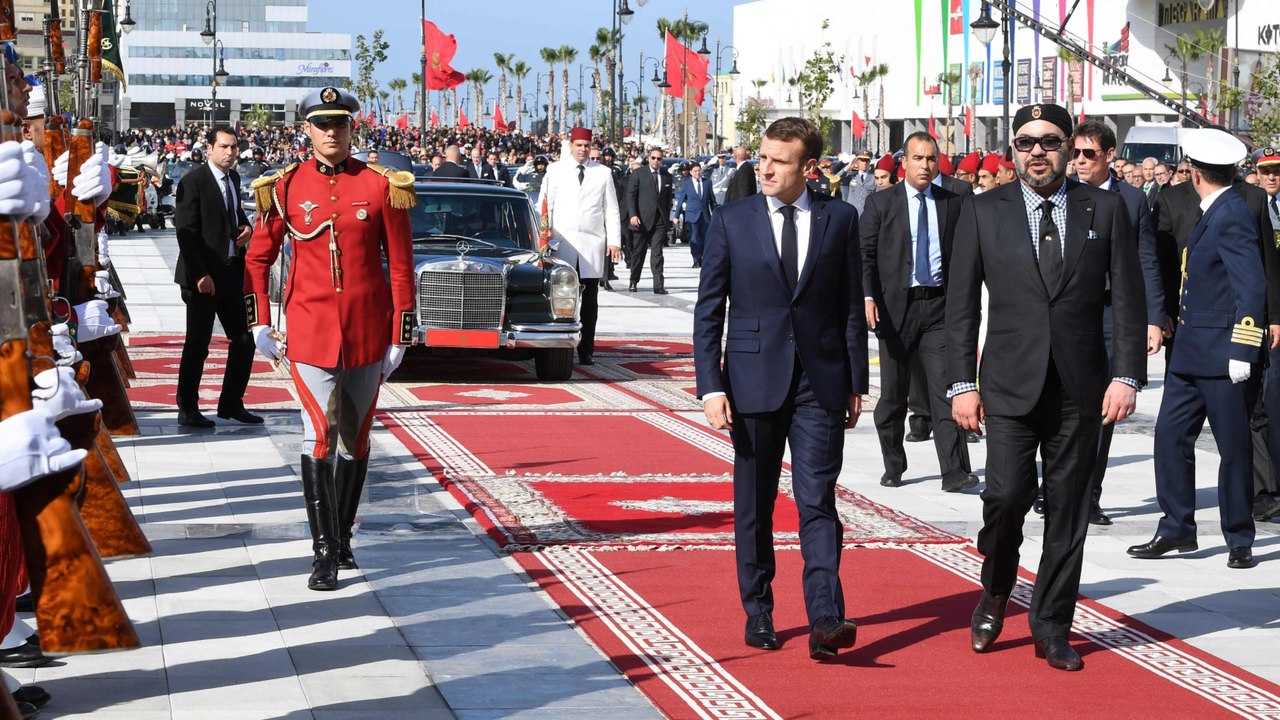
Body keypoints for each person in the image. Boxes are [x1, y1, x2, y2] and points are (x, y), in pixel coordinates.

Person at [947, 103, 1145, 671]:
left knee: (1069, 512)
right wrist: (962, 384)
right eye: (1027, 140)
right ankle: (995, 589)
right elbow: (960, 308)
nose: (1038, 150)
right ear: (1014, 148)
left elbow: (1129, 299)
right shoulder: (984, 211)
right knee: (1006, 497)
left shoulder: (1105, 210)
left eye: (1051, 141)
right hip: (1008, 385)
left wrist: (1126, 375)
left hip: (1081, 388)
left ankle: (1053, 623)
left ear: (1069, 147)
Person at [693, 117, 867, 662]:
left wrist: (856, 380)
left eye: (779, 160)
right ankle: (759, 608)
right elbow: (708, 309)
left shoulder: (839, 219)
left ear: (808, 168)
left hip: (820, 383)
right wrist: (709, 386)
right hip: (750, 381)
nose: (765, 168)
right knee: (755, 502)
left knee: (817, 500)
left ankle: (825, 617)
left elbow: (848, 306)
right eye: (763, 157)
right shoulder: (732, 220)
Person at [243, 86, 417, 591]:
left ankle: (342, 540)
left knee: (356, 440)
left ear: (351, 127)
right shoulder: (284, 187)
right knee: (318, 436)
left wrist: (401, 334)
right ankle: (322, 552)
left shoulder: (383, 184)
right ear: (307, 129)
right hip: (310, 331)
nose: (331, 132)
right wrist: (258, 323)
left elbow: (402, 265)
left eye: (339, 123)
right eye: (322, 124)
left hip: (367, 332)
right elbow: (258, 259)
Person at [1129, 129, 1268, 570]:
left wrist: (1244, 351)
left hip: (1224, 355)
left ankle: (1239, 537)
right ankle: (1176, 528)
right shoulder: (1218, 208)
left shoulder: (1232, 214)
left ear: (1195, 175)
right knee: (1170, 437)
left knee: (1233, 448)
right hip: (1191, 350)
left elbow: (1252, 287)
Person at [1043, 119, 1165, 525]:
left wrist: (1151, 318)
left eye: (1088, 154)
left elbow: (1146, 261)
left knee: (1104, 406)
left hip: (1113, 313)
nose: (1078, 161)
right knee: (1058, 396)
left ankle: (1088, 495)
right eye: (1074, 153)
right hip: (1072, 310)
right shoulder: (1063, 194)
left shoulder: (1132, 200)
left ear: (1109, 156)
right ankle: (1051, 488)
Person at [862, 132, 977, 492]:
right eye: (918, 158)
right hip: (896, 310)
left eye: (931, 159)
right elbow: (864, 256)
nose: (925, 165)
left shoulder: (954, 199)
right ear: (904, 163)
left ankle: (954, 471)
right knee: (894, 395)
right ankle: (893, 464)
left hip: (939, 308)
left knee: (947, 390)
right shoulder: (882, 204)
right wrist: (867, 297)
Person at [173, 125, 260, 428]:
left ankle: (232, 403)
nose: (230, 152)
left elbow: (234, 215)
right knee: (198, 344)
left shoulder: (234, 178)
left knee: (244, 340)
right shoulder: (193, 182)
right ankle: (187, 407)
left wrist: (247, 227)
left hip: (231, 273)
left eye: (234, 147)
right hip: (203, 277)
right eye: (223, 147)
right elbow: (186, 233)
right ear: (209, 149)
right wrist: (199, 274)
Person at [543, 127, 622, 365]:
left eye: (586, 146)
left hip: (591, 245)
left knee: (589, 301)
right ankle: (556, 346)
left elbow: (611, 209)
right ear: (570, 146)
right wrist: (542, 237)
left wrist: (615, 241)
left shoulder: (603, 173)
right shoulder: (555, 170)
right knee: (558, 298)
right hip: (561, 244)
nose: (583, 150)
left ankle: (586, 349)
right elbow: (545, 206)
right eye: (578, 145)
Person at [1250, 147, 1280, 523]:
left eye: (1277, 171)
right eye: (1266, 171)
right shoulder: (1253, 206)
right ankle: (1265, 485)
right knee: (1264, 402)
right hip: (1263, 318)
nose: (1272, 177)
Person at [623, 146, 673, 293]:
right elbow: (630, 196)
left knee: (657, 254)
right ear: (648, 158)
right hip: (641, 220)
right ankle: (633, 281)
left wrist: (667, 218)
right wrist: (633, 215)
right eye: (653, 158)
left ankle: (658, 285)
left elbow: (668, 199)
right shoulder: (639, 174)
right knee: (638, 253)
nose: (656, 161)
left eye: (659, 158)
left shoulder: (666, 176)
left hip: (659, 221)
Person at [675, 161, 715, 269]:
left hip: (705, 215)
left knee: (704, 238)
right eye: (695, 171)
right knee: (694, 238)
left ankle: (702, 257)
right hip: (692, 215)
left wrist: (716, 214)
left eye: (699, 170)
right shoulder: (686, 184)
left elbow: (712, 200)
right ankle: (696, 259)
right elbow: (681, 200)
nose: (698, 173)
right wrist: (676, 215)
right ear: (691, 172)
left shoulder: (707, 182)